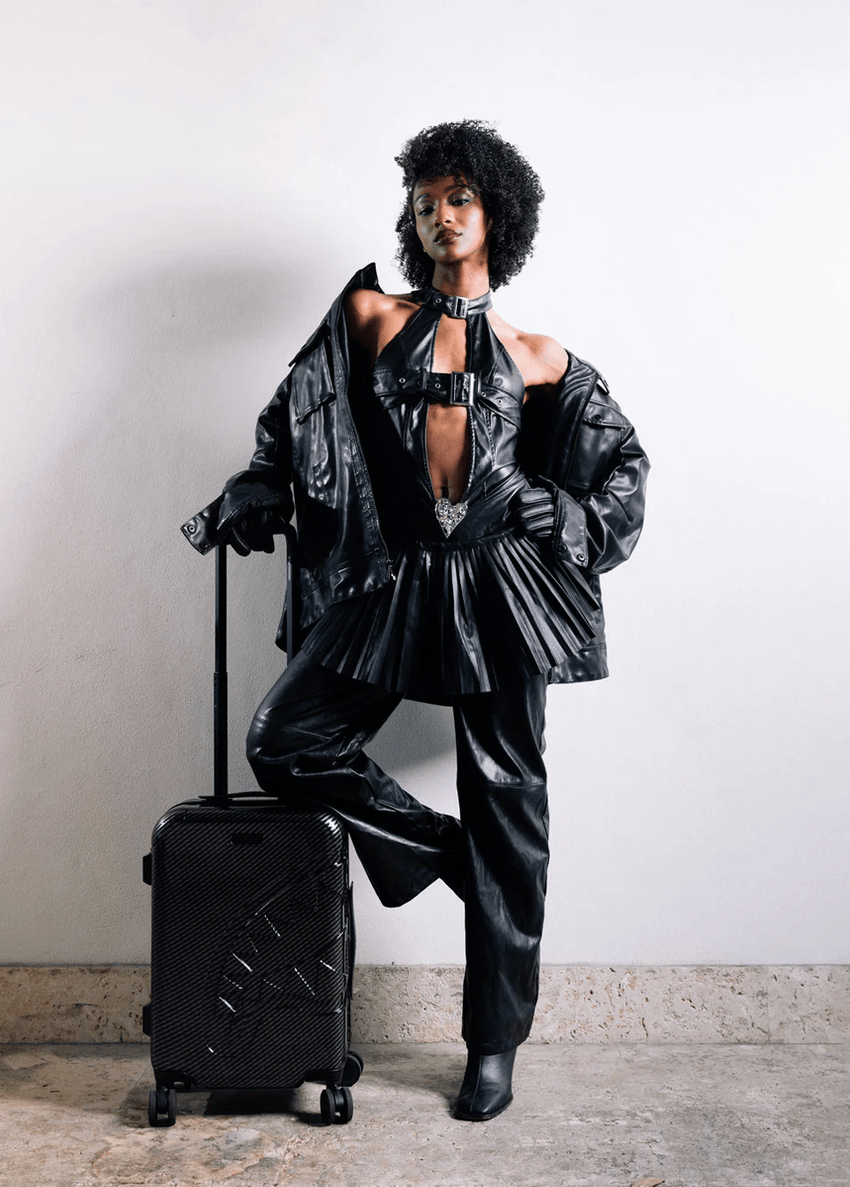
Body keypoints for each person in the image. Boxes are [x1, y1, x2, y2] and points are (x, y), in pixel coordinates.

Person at [186, 120, 649, 1120]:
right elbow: (295, 422)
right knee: (286, 738)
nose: (440, 216)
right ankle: (447, 853)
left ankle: (493, 1047)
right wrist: (256, 485)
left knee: (510, 808)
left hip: (502, 592)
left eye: (459, 199)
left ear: (497, 215)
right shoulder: (369, 317)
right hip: (389, 579)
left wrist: (555, 508)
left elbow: (623, 470)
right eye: (425, 201)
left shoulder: (539, 356)